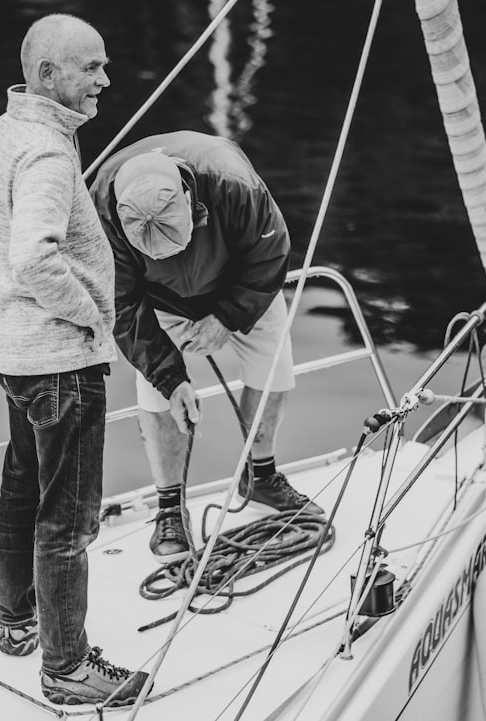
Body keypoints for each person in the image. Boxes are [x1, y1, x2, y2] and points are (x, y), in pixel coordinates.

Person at [0, 13, 148, 707]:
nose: (104, 80)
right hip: (60, 362)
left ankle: (16, 619)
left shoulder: (5, 132)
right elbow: (35, 254)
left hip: (13, 352)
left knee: (22, 485)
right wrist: (89, 313)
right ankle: (67, 668)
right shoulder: (47, 155)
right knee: (68, 518)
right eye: (90, 68)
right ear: (47, 77)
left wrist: (7, 291)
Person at [89, 130, 324, 563]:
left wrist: (228, 317)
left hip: (239, 282)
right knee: (154, 388)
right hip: (160, 298)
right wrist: (170, 376)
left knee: (273, 360)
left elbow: (270, 257)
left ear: (189, 197)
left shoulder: (234, 184)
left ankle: (261, 476)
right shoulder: (99, 211)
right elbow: (121, 305)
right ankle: (169, 507)